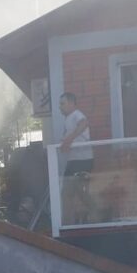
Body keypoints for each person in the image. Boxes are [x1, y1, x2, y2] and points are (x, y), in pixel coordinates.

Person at [56, 91, 93, 224]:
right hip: (75, 160)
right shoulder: (68, 119)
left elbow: (84, 123)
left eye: (62, 104)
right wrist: (64, 143)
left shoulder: (77, 114)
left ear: (71, 103)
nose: (60, 107)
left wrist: (68, 140)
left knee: (71, 191)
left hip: (82, 160)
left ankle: (67, 223)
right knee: (73, 191)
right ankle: (69, 221)